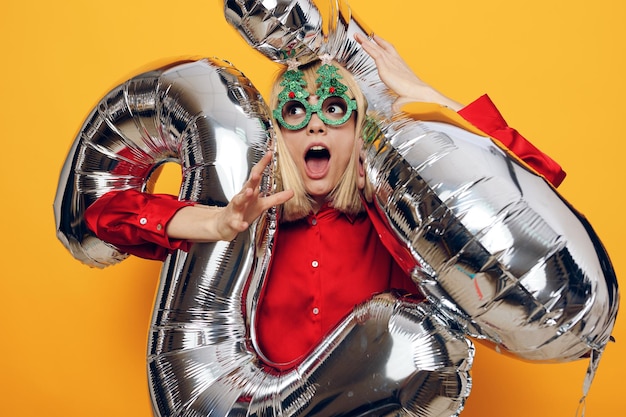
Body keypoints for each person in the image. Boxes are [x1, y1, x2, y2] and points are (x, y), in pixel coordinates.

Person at [84, 33, 565, 369]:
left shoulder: (401, 227)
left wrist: (421, 94)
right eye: (295, 111)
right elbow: (104, 215)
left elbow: (535, 183)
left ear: (358, 131)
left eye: (335, 109)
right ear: (276, 133)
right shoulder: (249, 228)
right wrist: (218, 224)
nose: (316, 125)